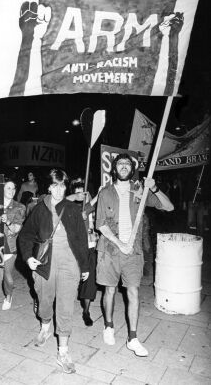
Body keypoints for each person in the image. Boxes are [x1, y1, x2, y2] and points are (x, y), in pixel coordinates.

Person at [96, 153, 174, 357]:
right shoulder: (105, 193)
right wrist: (120, 243)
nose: (123, 166)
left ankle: (133, 338)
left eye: (127, 164)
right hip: (110, 252)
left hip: (133, 252)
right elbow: (101, 224)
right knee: (110, 291)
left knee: (133, 293)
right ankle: (109, 326)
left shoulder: (140, 191)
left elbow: (169, 207)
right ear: (114, 169)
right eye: (120, 163)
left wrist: (154, 187)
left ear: (132, 169)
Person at [19, 169, 89, 374]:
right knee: (45, 301)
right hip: (44, 263)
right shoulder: (39, 209)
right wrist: (28, 257)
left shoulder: (72, 209)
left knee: (66, 306)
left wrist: (84, 266)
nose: (59, 190)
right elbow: (25, 236)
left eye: (62, 185)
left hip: (69, 263)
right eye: (55, 185)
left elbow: (82, 240)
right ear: (48, 186)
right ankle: (45, 326)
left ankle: (63, 351)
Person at [67, 178, 102, 327]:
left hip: (91, 248)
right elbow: (83, 213)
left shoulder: (94, 208)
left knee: (89, 282)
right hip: (75, 249)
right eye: (78, 194)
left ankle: (86, 311)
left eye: (84, 193)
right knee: (72, 280)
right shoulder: (72, 210)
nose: (82, 196)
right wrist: (96, 197)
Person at [0, 180, 26, 324]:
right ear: (2, 189)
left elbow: (17, 229)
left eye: (13, 188)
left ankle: (9, 296)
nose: (11, 191)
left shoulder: (19, 207)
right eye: (8, 188)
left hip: (10, 247)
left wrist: (8, 221)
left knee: (8, 278)